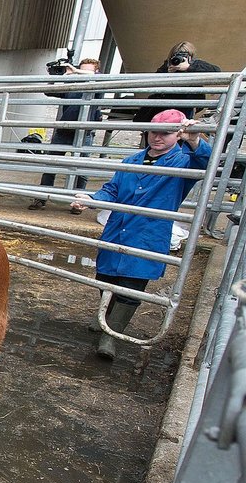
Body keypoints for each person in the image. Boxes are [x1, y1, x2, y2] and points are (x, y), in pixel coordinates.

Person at [69, 109, 211, 361]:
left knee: (132, 287)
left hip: (148, 232)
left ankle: (111, 336)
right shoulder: (131, 160)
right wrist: (91, 200)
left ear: (178, 135)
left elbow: (206, 162)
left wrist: (194, 139)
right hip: (117, 228)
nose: (157, 138)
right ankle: (105, 317)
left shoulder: (183, 162)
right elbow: (112, 190)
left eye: (165, 134)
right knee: (106, 277)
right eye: (154, 132)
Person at [29, 58, 102, 209]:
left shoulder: (100, 85)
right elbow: (49, 92)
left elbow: (94, 78)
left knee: (82, 169)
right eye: (81, 69)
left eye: (87, 71)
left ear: (96, 72)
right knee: (51, 166)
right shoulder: (72, 85)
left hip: (84, 133)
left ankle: (80, 202)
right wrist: (55, 77)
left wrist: (76, 71)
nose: (82, 74)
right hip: (64, 131)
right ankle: (42, 197)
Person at [132, 41, 222, 125]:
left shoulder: (197, 64)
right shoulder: (169, 65)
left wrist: (189, 68)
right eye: (176, 55)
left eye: (184, 56)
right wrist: (168, 74)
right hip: (165, 104)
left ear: (190, 57)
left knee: (180, 129)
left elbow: (216, 72)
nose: (179, 59)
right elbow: (154, 81)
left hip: (187, 104)